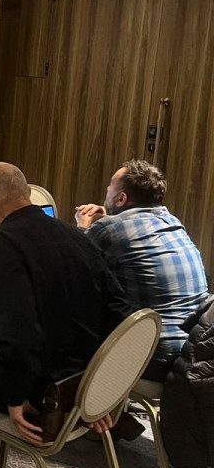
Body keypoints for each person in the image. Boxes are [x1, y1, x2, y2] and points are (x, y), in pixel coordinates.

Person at [0, 162, 130, 454]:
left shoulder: (2, 244)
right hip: (80, 382)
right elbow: (118, 311)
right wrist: (101, 389)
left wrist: (14, 397)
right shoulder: (76, 237)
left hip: (41, 391)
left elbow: (18, 331)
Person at [75, 160, 208, 381]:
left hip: (152, 358)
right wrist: (108, 218)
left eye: (110, 186)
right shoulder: (173, 223)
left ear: (121, 198)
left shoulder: (108, 230)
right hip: (193, 351)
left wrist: (83, 228)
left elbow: (72, 267)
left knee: (70, 315)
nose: (106, 190)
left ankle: (68, 404)